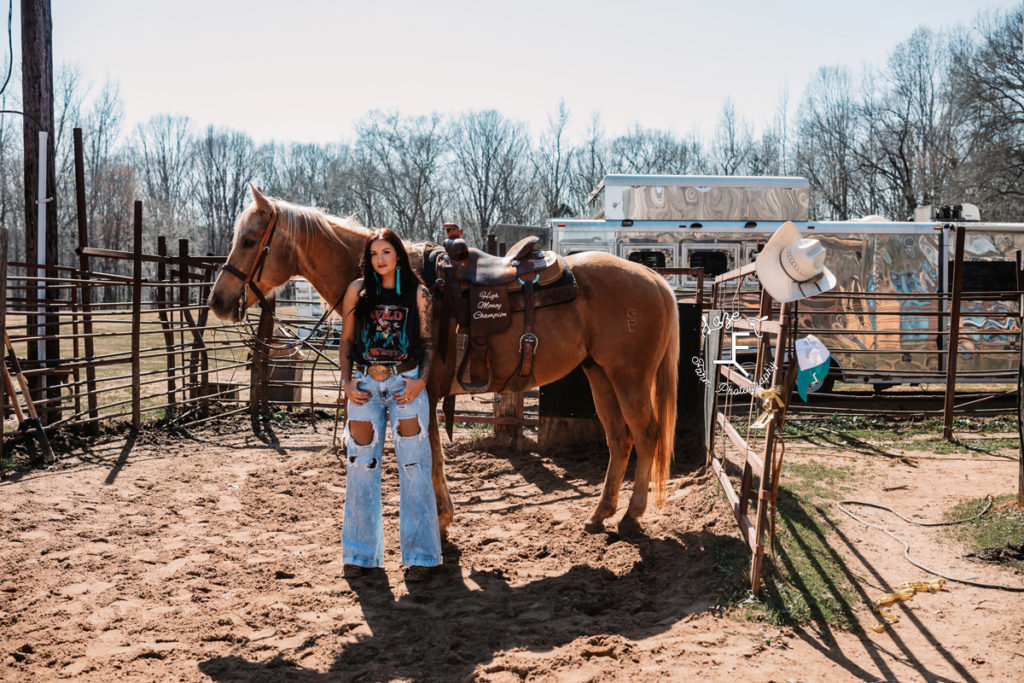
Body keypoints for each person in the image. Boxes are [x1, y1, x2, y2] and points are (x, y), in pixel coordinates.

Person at [337, 228, 440, 582]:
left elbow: (428, 343)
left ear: (398, 254)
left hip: (403, 385)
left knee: (414, 465)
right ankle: (361, 554)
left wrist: (421, 381)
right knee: (361, 466)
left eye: (386, 252)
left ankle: (422, 557)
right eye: (374, 254)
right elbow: (347, 339)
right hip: (365, 385)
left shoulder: (418, 293)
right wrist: (347, 381)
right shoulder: (357, 291)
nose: (380, 259)